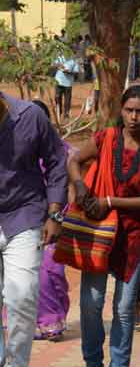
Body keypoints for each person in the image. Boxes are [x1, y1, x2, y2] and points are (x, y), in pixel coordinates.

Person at [68, 85, 140, 367]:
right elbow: (74, 160)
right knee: (90, 301)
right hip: (99, 228)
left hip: (136, 233)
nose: (134, 117)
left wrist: (110, 201)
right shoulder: (106, 138)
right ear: (121, 110)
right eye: (129, 110)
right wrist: (82, 187)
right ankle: (91, 364)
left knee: (125, 307)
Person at [0, 93, 66, 367]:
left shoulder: (30, 116)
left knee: (22, 296)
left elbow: (56, 161)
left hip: (24, 214)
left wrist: (55, 213)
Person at [29, 100, 71, 343]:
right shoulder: (16, 148)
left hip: (56, 221)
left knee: (50, 272)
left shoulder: (63, 153)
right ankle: (29, 323)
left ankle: (51, 322)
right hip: (24, 219)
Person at [54, 50, 81, 119]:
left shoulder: (74, 60)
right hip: (58, 81)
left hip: (68, 83)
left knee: (67, 100)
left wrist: (68, 71)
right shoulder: (60, 57)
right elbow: (54, 64)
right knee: (57, 97)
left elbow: (76, 72)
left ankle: (66, 114)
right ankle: (58, 112)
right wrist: (58, 65)